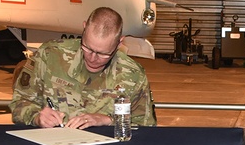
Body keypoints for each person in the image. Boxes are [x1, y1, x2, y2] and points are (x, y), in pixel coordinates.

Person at [10, 7, 156, 128]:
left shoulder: (133, 75)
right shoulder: (50, 55)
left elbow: (146, 127)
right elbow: (19, 104)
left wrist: (108, 120)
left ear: (119, 44)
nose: (93, 58)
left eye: (103, 54)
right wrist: (36, 117)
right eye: (88, 48)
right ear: (84, 28)